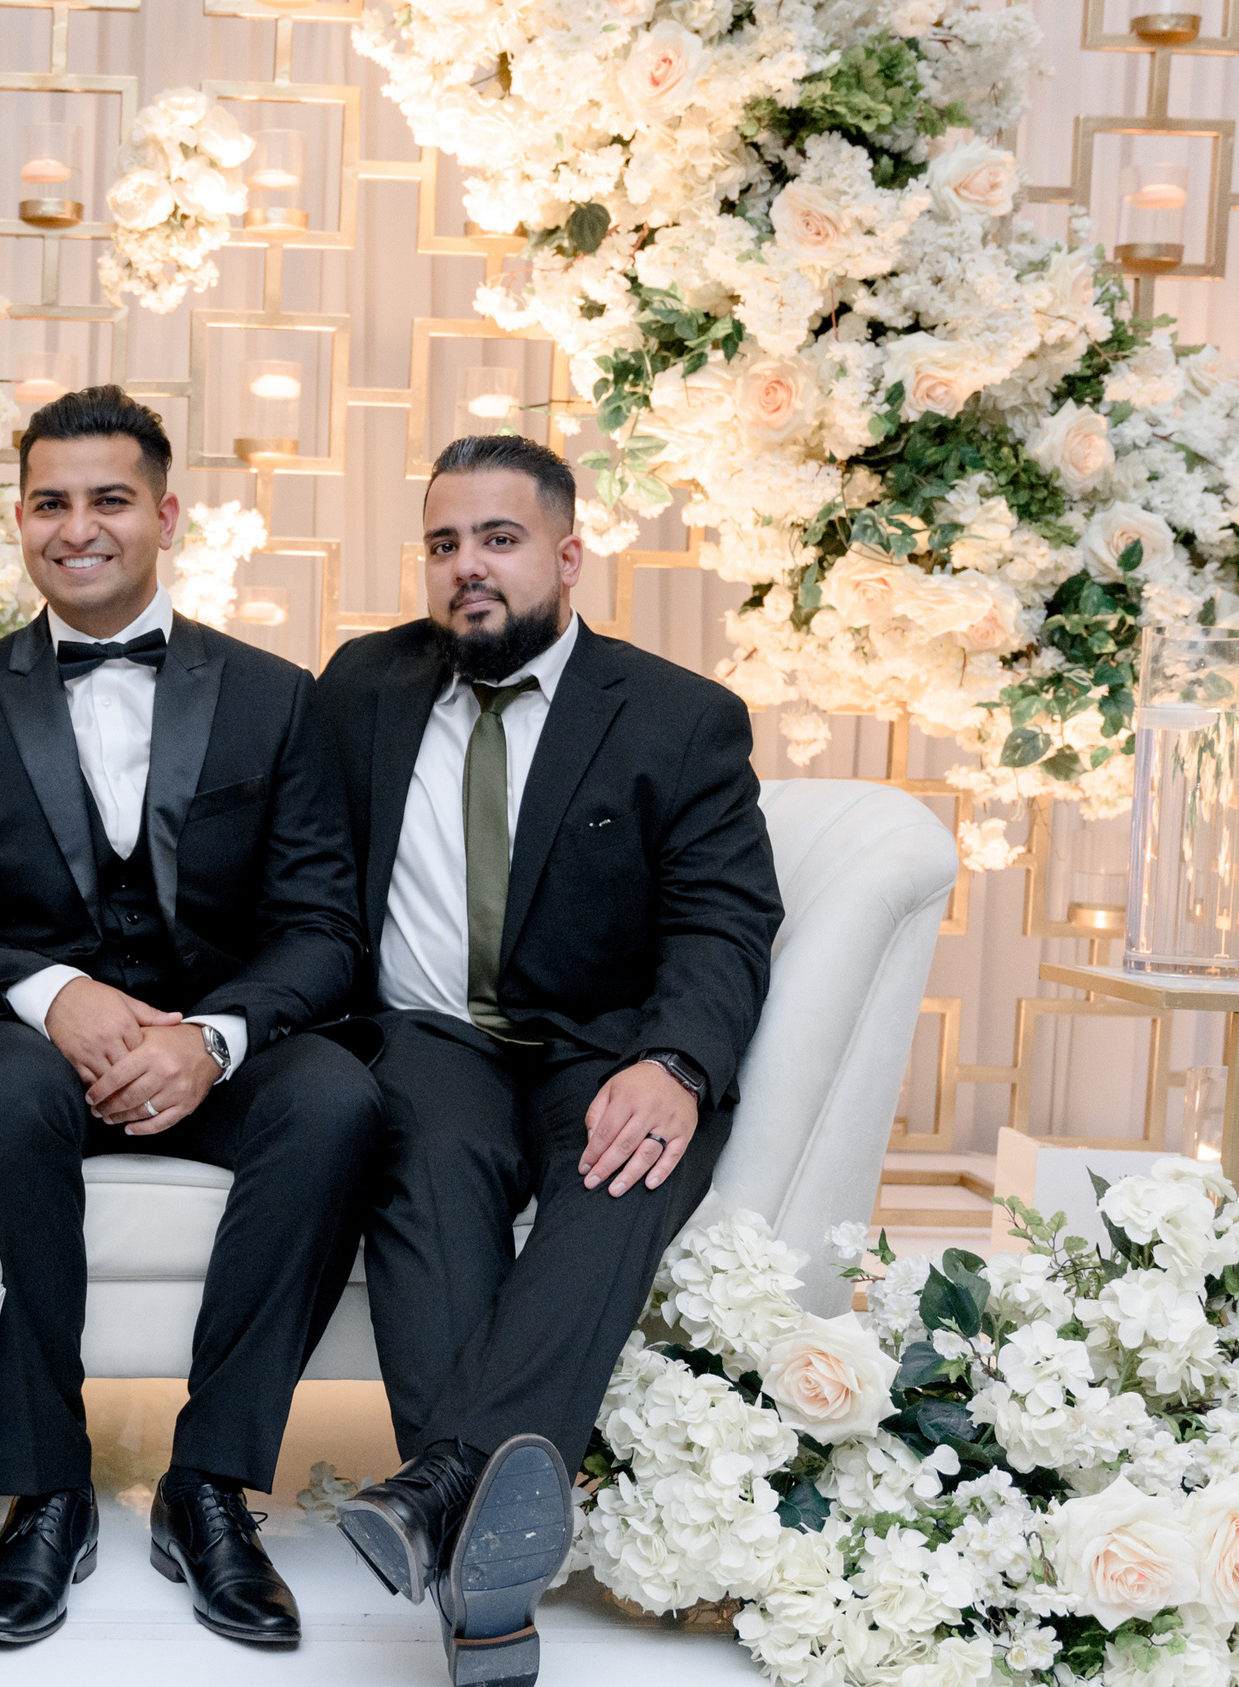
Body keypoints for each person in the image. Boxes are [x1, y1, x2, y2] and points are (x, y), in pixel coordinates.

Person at [0, 385, 378, 1651]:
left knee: (338, 1099)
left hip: (225, 1040)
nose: (79, 527)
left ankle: (210, 1483)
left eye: (108, 498)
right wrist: (56, 995)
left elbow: (327, 929)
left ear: (165, 514)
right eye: (50, 502)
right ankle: (46, 1486)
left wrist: (210, 1035)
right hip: (38, 1047)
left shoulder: (279, 698)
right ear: (19, 519)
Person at [312, 434, 783, 1687]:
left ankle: (443, 1495)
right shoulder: (361, 686)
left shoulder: (680, 717)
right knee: (422, 1153)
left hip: (606, 1045)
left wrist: (677, 1061)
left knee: (619, 1165)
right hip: (431, 1036)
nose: (468, 567)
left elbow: (725, 920)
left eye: (499, 539)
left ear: (568, 555)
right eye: (443, 542)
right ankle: (488, 1568)